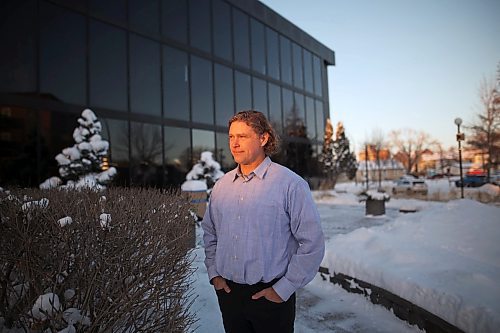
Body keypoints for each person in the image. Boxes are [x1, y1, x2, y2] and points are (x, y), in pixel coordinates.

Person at [202, 110, 325, 333]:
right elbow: (210, 233)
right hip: (229, 295)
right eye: (231, 137)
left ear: (263, 138)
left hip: (271, 299)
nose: (235, 144)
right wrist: (215, 275)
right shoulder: (221, 186)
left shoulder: (290, 184)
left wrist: (283, 289)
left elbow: (312, 244)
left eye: (243, 136)